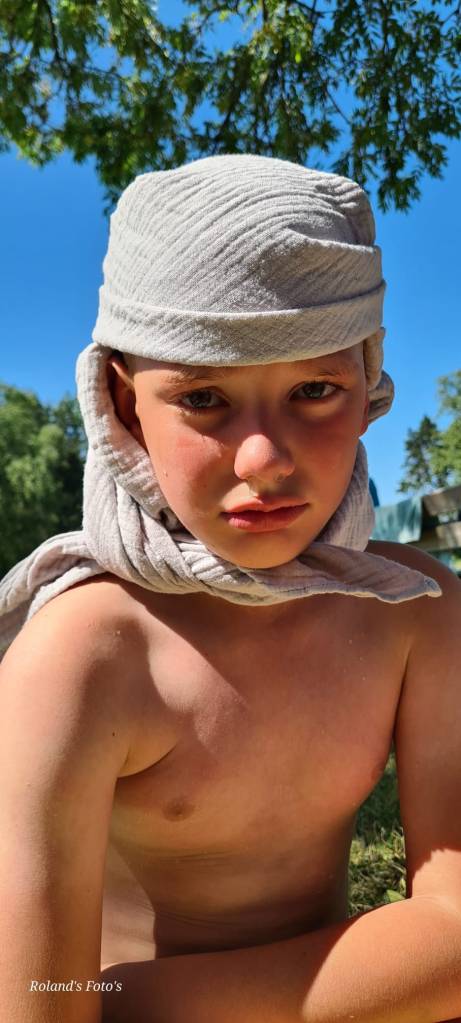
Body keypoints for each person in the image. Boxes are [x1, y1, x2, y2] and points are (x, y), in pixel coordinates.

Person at [1, 155, 460, 1023]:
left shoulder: (413, 616)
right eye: (204, 397)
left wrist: (115, 1004)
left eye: (314, 388)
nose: (264, 457)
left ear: (369, 382)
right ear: (123, 405)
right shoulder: (83, 654)